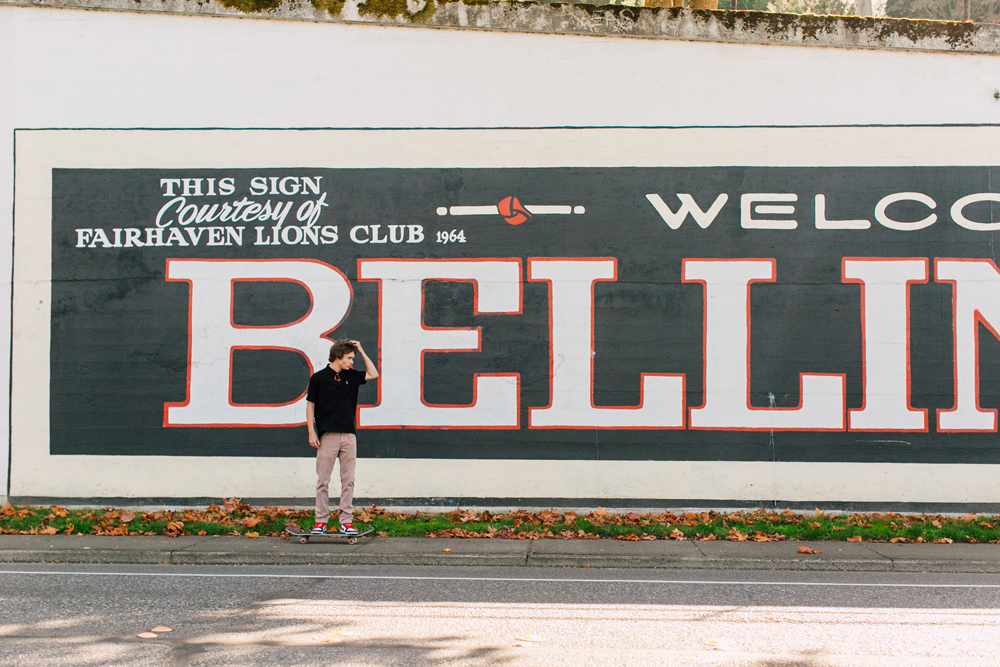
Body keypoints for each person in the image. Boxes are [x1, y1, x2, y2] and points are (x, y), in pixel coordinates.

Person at [306, 339, 379, 535]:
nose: (351, 362)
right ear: (338, 357)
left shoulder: (352, 376)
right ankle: (320, 522)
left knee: (348, 480)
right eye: (348, 358)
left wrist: (361, 349)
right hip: (327, 436)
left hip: (348, 436)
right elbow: (310, 404)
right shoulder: (319, 378)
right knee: (323, 481)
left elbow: (374, 373)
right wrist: (311, 432)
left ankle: (346, 521)